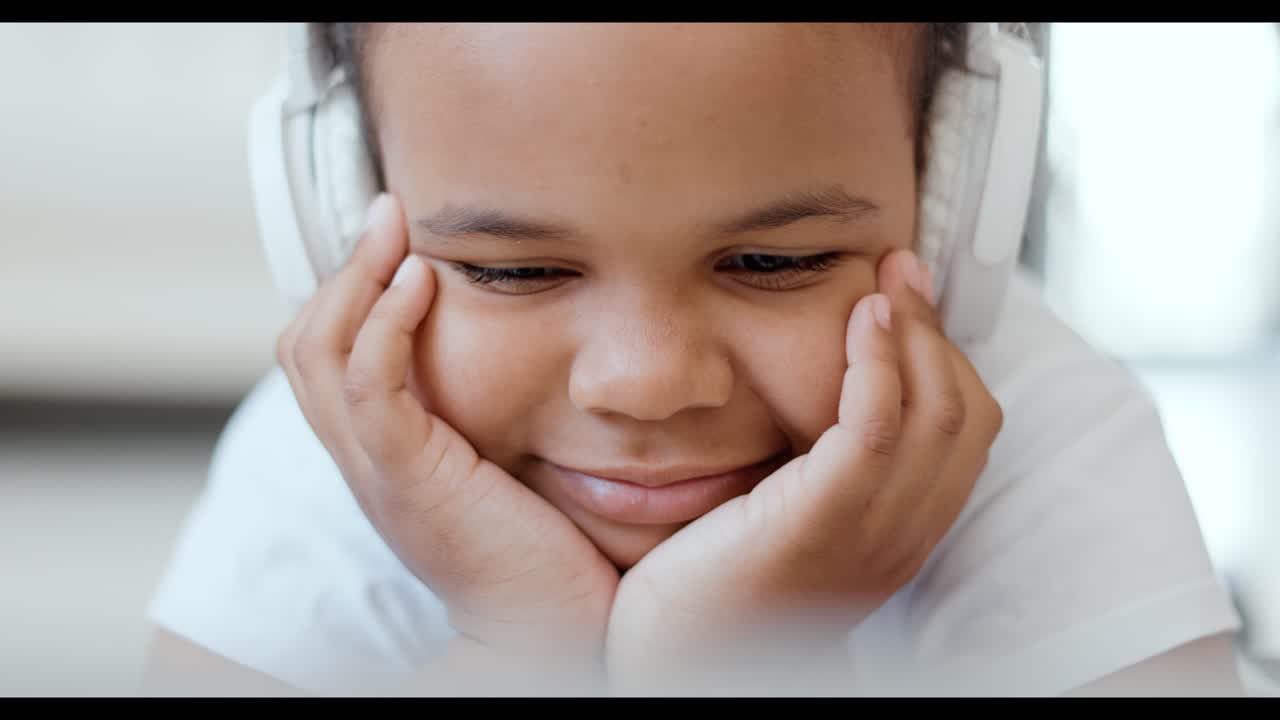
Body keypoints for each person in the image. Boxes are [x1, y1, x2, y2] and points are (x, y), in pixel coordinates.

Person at [141, 22, 1244, 696]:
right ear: (337, 221)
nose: (645, 382)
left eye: (771, 259)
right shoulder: (329, 459)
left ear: (953, 200)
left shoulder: (1039, 443)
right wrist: (516, 648)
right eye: (516, 272)